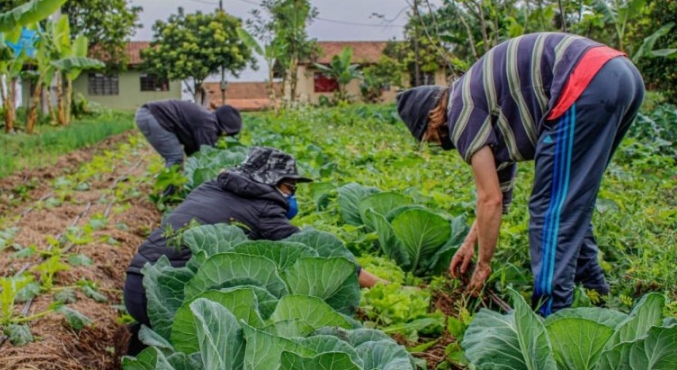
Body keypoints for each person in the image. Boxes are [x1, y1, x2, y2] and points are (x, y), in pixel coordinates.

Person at [396, 32, 644, 316]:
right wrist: (469, 243)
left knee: (549, 210)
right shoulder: (479, 104)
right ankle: (597, 294)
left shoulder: (460, 111)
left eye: (430, 138)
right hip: (621, 75)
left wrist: (484, 264)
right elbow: (497, 193)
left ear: (433, 118)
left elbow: (490, 200)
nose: (438, 144)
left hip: (585, 81)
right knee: (569, 199)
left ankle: (551, 317)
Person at [124, 146, 384, 332]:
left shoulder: (210, 187)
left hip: (139, 284)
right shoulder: (264, 210)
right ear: (274, 182)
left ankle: (141, 341)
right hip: (168, 302)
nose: (292, 195)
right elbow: (315, 252)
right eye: (291, 188)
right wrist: (381, 285)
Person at [135, 99, 242, 170]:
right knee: (175, 157)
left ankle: (172, 191)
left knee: (176, 158)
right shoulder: (209, 125)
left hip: (149, 114)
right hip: (153, 116)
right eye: (226, 134)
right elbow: (206, 156)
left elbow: (193, 152)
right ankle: (169, 198)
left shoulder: (207, 119)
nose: (223, 136)